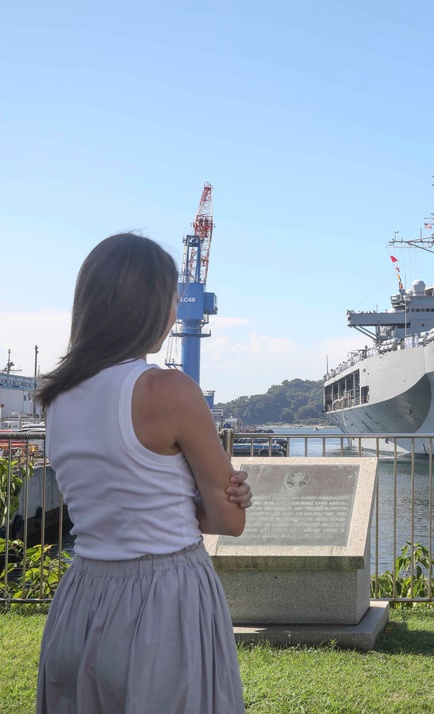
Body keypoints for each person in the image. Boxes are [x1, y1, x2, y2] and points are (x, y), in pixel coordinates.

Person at [35, 233, 253, 713]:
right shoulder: (168, 390)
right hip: (164, 599)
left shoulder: (56, 398)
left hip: (83, 595)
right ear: (148, 306)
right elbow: (228, 521)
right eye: (172, 298)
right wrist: (218, 496)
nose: (176, 310)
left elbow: (116, 502)